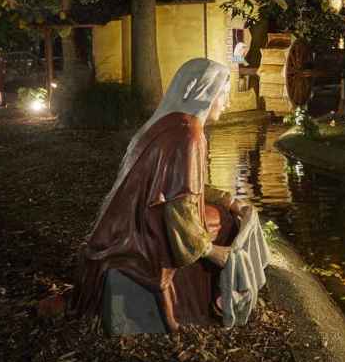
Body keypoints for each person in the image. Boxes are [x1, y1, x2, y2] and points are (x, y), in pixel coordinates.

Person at [71, 58, 263, 332]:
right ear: (207, 94)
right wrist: (211, 251)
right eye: (224, 95)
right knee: (228, 224)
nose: (227, 103)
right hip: (142, 227)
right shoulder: (190, 135)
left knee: (222, 212)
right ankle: (218, 300)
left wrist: (227, 198)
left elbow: (183, 186)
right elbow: (181, 205)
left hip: (129, 218)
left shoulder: (170, 123)